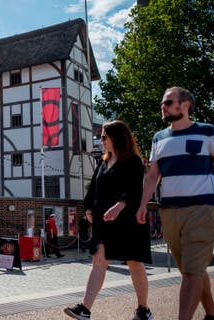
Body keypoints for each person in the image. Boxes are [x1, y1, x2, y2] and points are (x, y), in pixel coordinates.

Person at [136, 87, 214, 320]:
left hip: (203, 207)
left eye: (168, 102)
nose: (163, 106)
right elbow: (153, 176)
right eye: (163, 103)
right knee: (192, 269)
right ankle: (212, 315)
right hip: (170, 211)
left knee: (192, 271)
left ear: (185, 105)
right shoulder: (158, 138)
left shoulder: (207, 132)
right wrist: (143, 204)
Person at [65, 120, 153, 320]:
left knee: (135, 263)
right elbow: (93, 188)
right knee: (99, 260)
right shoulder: (103, 163)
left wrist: (121, 205)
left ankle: (143, 309)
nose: (101, 140)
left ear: (117, 138)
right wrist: (88, 207)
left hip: (129, 221)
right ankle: (85, 308)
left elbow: (134, 190)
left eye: (104, 136)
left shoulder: (134, 162)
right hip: (105, 222)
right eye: (100, 136)